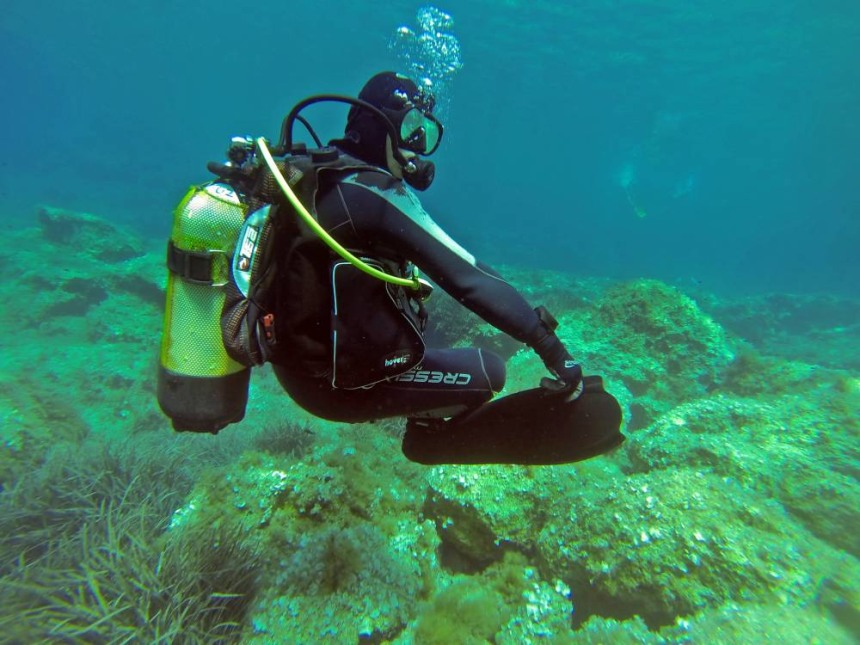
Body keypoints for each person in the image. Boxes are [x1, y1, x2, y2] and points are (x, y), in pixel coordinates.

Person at [251, 72, 621, 464]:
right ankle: (429, 442)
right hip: (333, 387)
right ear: (379, 126)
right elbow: (470, 277)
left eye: (425, 133)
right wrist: (553, 349)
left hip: (300, 373)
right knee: (491, 371)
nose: (418, 150)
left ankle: (414, 412)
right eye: (411, 129)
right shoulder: (372, 192)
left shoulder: (322, 177)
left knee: (430, 347)